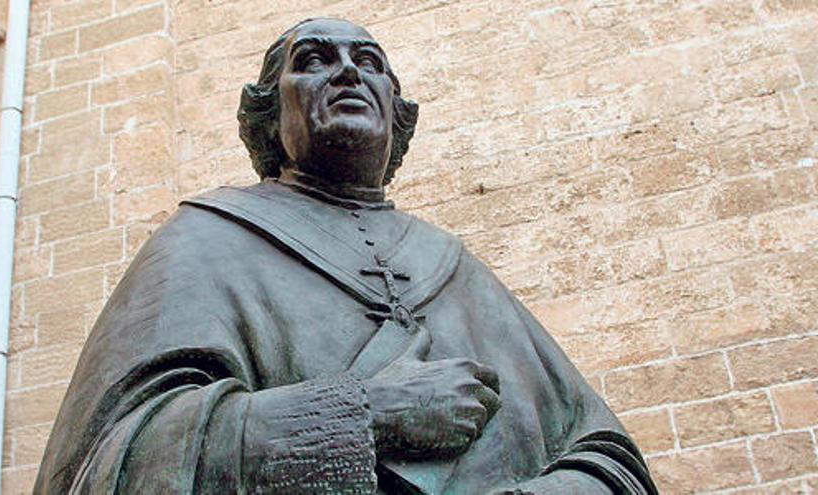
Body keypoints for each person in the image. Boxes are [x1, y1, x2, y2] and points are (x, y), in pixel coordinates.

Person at [34, 18, 657, 494]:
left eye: (369, 62)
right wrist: (367, 416)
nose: (347, 72)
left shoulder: (456, 267)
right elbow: (106, 465)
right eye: (313, 60)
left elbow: (607, 457)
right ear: (268, 115)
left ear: (397, 112)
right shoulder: (203, 240)